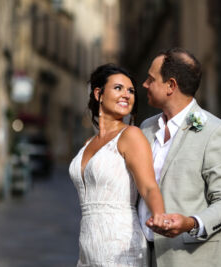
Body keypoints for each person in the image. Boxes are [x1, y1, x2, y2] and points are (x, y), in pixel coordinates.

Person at [138, 47, 221, 267]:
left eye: (151, 79)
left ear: (171, 86)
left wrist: (191, 223)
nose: (145, 84)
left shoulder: (215, 132)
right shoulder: (145, 128)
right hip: (141, 256)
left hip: (189, 258)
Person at [69, 64, 168, 266]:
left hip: (122, 246)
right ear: (99, 94)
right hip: (87, 246)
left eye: (131, 90)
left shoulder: (131, 135)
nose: (126, 95)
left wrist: (159, 215)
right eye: (118, 88)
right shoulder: (88, 143)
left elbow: (148, 186)